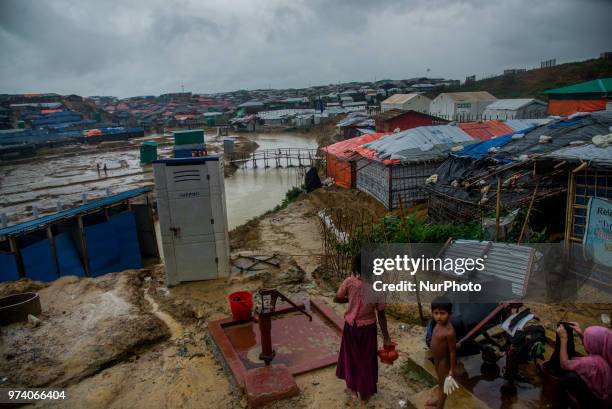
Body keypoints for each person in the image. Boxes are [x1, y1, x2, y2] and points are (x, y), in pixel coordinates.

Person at [334, 252, 391, 403]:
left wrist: (350, 300)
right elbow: (381, 315)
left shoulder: (349, 282)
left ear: (356, 266)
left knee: (351, 357)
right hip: (368, 329)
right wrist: (386, 337)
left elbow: (337, 298)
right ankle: (365, 394)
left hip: (351, 327)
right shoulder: (379, 288)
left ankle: (352, 389)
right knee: (367, 359)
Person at [556, 323, 612, 408]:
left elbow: (565, 364)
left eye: (587, 340)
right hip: (608, 397)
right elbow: (593, 349)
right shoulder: (607, 354)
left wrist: (563, 339)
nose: (585, 341)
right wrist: (581, 334)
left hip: (598, 403)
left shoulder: (592, 363)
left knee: (570, 377)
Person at [427, 297, 457, 409]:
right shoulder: (437, 324)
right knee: (440, 382)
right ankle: (438, 400)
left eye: (442, 313)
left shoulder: (449, 331)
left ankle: (440, 406)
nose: (438, 316)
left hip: (443, 362)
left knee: (444, 384)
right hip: (436, 358)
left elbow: (453, 352)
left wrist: (452, 370)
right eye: (436, 313)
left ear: (450, 314)